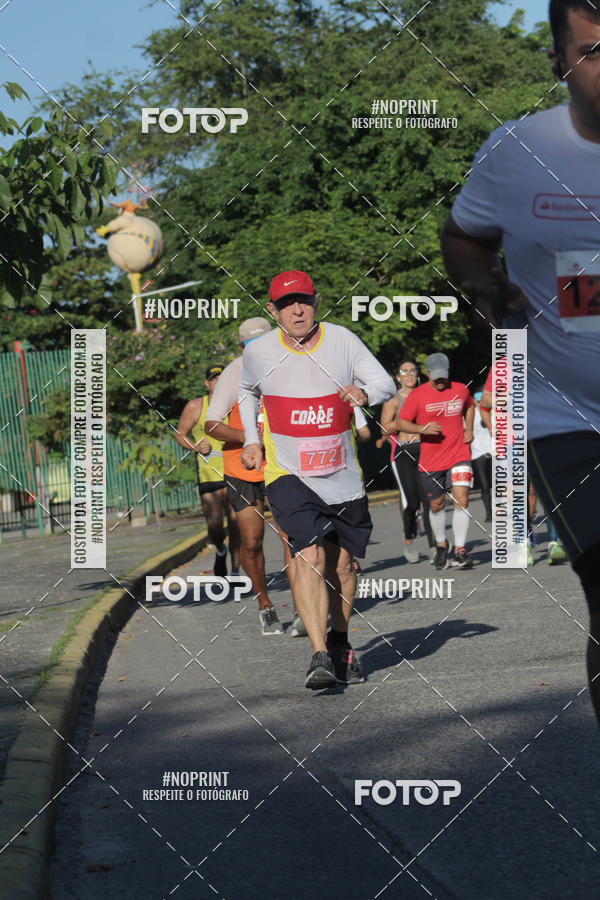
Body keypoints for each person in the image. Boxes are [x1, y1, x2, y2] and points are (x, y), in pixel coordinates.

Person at [440, 0, 600, 723]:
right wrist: (485, 289)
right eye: (596, 52)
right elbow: (464, 237)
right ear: (560, 63)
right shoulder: (517, 152)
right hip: (566, 413)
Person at [239, 270, 396, 689]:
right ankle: (318, 655)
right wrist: (253, 440)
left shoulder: (343, 340)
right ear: (273, 311)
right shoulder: (259, 352)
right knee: (309, 555)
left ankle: (340, 640)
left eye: (304, 300)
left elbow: (384, 381)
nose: (297, 309)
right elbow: (245, 391)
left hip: (341, 472)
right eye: (287, 303)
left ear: (317, 300)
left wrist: (364, 394)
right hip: (288, 472)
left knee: (343, 563)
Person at [205, 319, 288, 635]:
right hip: (243, 468)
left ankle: (300, 606)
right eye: (252, 347)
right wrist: (249, 436)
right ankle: (265, 605)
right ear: (242, 347)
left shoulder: (287, 366)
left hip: (281, 465)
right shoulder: (233, 372)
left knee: (291, 539)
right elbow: (211, 425)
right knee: (252, 542)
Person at [395, 352, 475, 570]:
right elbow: (401, 422)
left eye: (443, 376)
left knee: (461, 499)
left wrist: (469, 428)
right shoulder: (417, 396)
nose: (440, 381)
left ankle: (460, 550)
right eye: (435, 376)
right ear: (428, 373)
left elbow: (470, 405)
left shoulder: (460, 389)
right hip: (431, 460)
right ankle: (441, 545)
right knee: (436, 504)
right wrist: (422, 429)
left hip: (459, 454)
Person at [174, 364, 240, 577]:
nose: (218, 382)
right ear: (206, 383)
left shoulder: (236, 403)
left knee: (236, 523)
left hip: (235, 470)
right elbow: (180, 434)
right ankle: (220, 550)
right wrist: (194, 446)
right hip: (208, 472)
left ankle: (236, 571)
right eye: (213, 379)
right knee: (215, 526)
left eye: (222, 378)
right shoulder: (195, 406)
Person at [378, 359, 435, 564]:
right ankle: (409, 539)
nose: (409, 375)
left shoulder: (427, 394)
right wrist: (406, 423)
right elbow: (384, 428)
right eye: (405, 371)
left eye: (413, 371)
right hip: (404, 453)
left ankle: (434, 546)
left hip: (427, 450)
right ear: (398, 376)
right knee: (411, 502)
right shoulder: (393, 399)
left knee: (429, 500)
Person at [470, 391, 493, 524]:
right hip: (478, 454)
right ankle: (489, 513)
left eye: (482, 402)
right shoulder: (471, 414)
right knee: (484, 485)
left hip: (493, 452)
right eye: (478, 402)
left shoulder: (492, 413)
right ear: (474, 402)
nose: (480, 404)